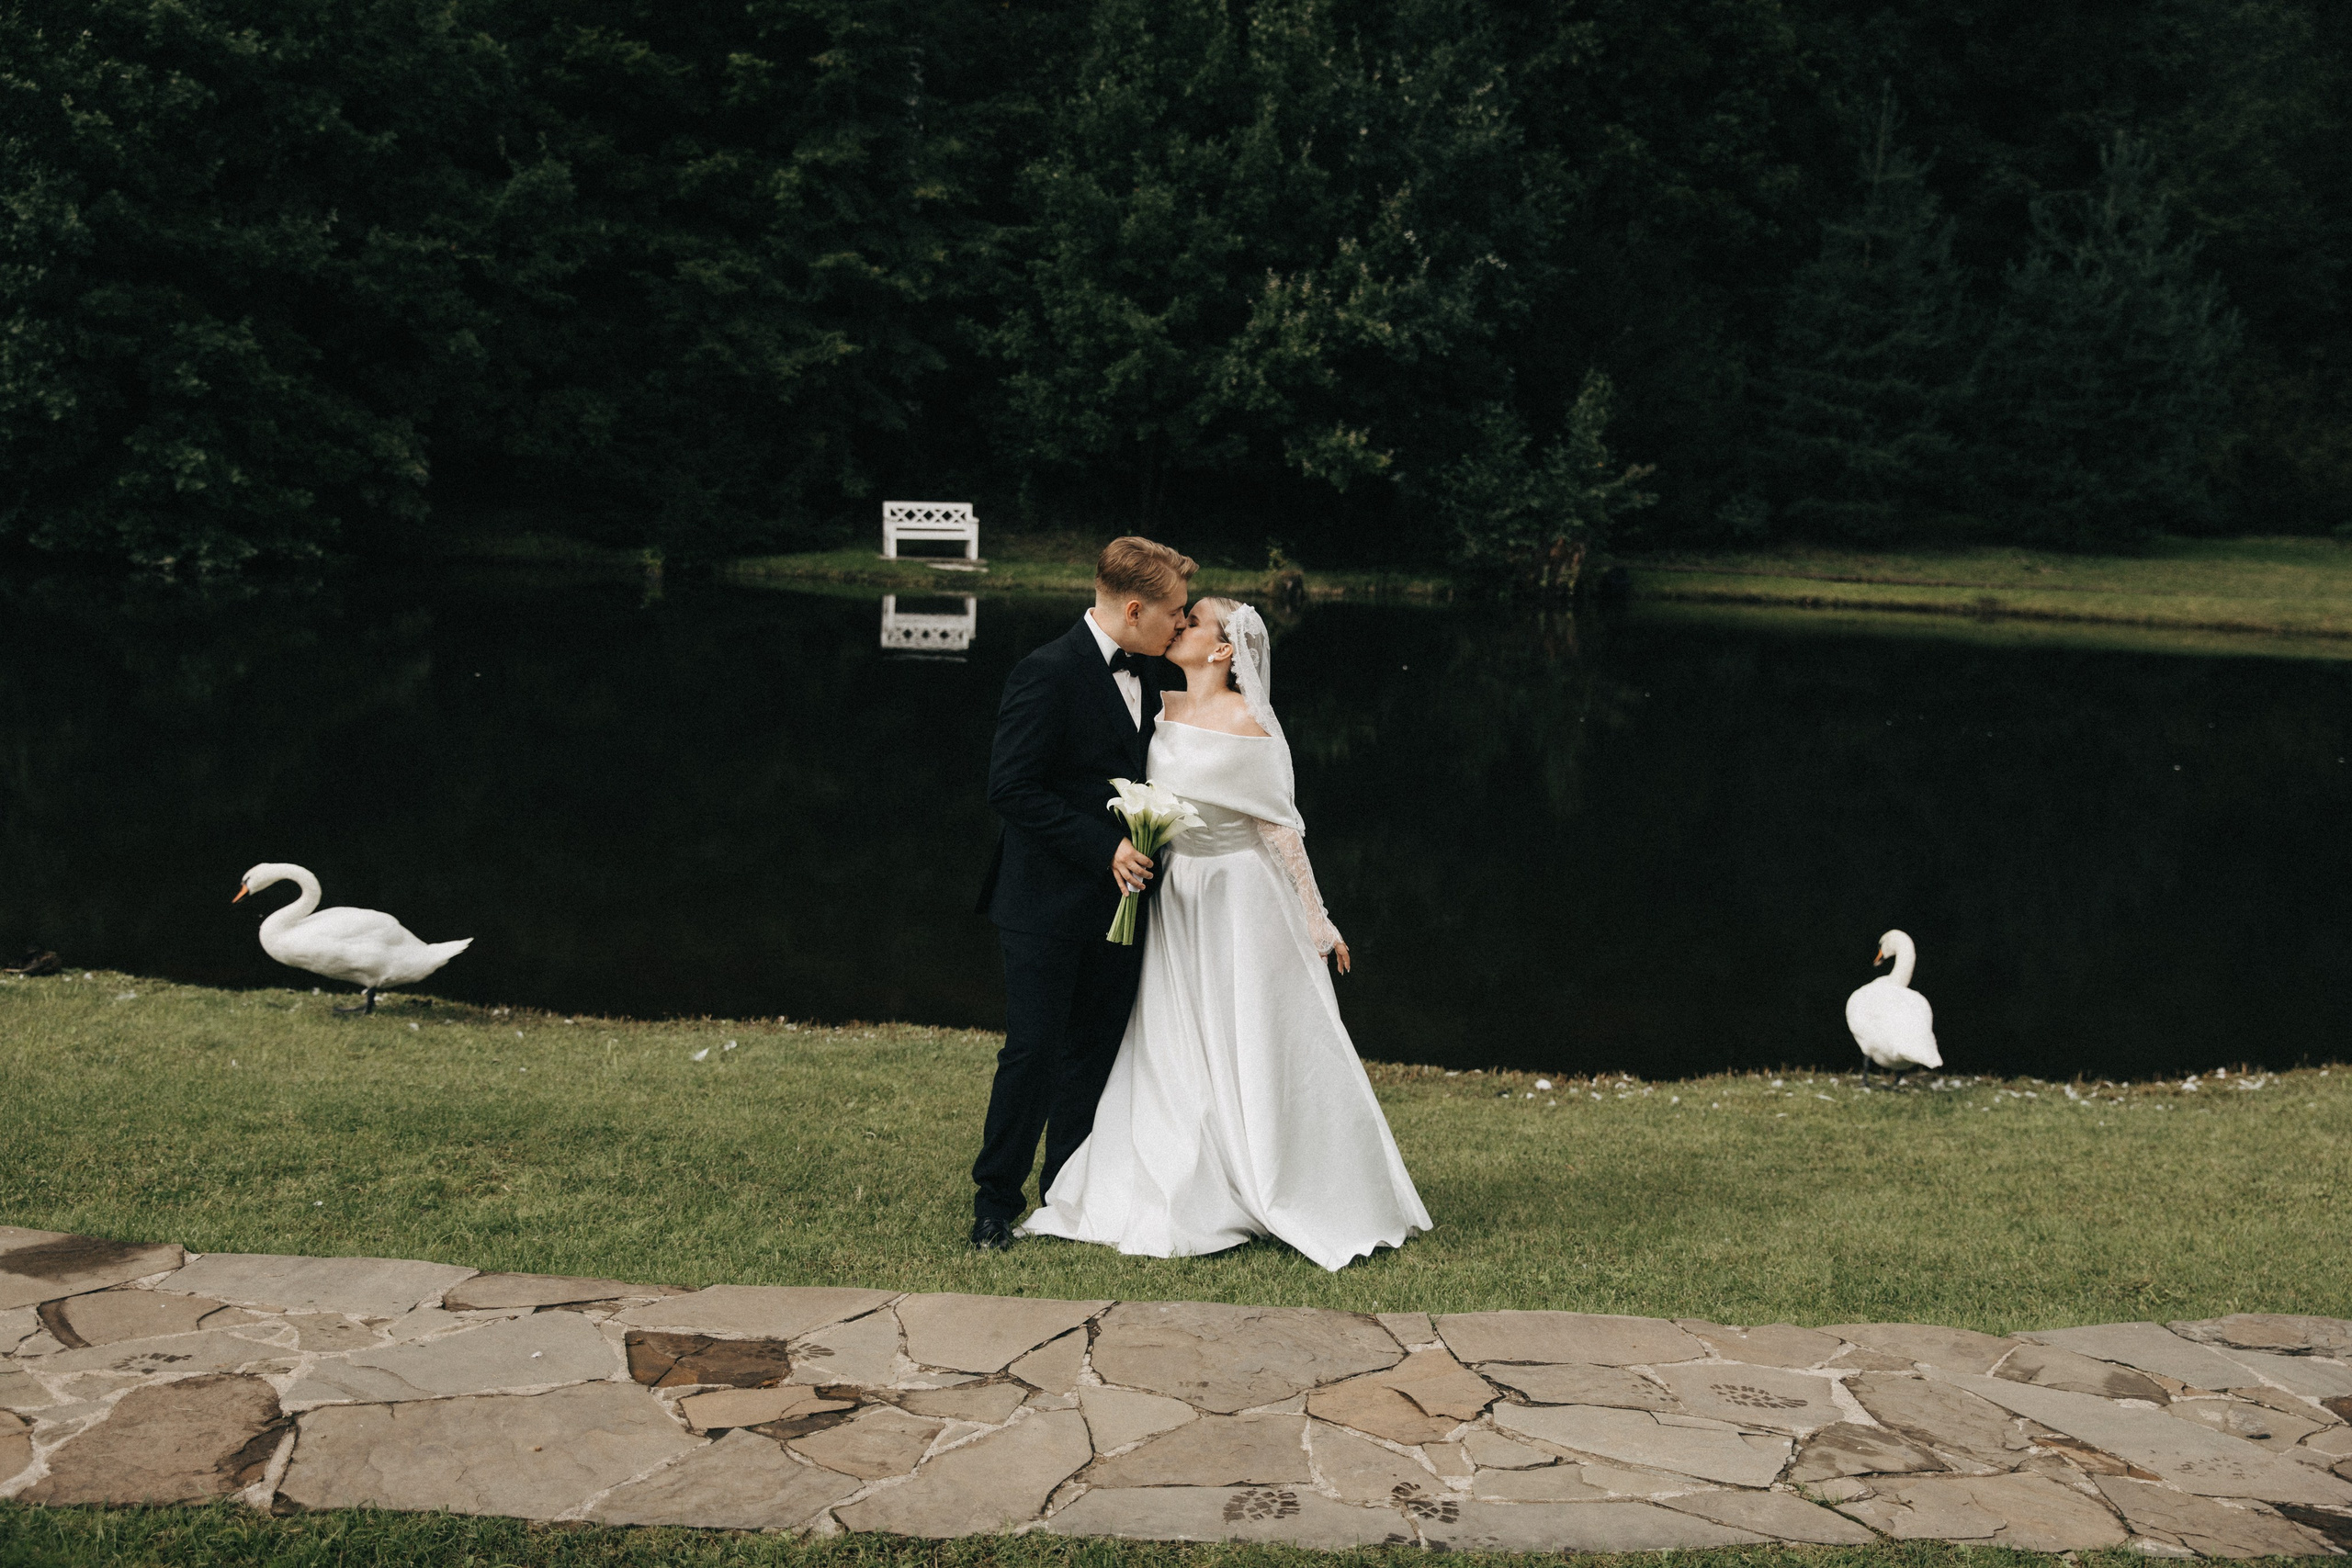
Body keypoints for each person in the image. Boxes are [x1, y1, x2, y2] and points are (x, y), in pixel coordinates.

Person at [1022, 597, 1430, 1270]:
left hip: (1239, 900)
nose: (1177, 624)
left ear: (1221, 651)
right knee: (1176, 1039)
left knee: (1250, 1036)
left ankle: (1276, 1172)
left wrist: (1318, 919)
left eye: (1193, 621)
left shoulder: (1250, 725)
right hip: (1176, 897)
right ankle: (1185, 1165)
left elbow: (1281, 829)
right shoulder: (1162, 710)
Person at [969, 536, 1195, 1251]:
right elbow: (1011, 787)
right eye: (1175, 614)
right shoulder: (1046, 672)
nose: (1182, 626)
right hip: (1043, 902)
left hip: (1124, 907)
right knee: (1033, 1051)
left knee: (1095, 1051)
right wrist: (1106, 848)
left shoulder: (1160, 678)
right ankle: (993, 1201)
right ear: (1134, 610)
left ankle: (1069, 1191)